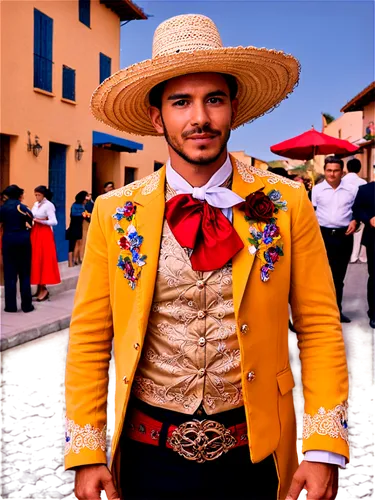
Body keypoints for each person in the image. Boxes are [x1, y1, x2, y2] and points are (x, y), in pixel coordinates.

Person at [64, 14, 350, 500]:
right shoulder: (116, 213)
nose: (200, 118)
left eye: (214, 99)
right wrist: (87, 452)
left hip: (257, 453)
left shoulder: (286, 202)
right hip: (146, 453)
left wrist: (323, 448)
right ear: (158, 118)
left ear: (233, 109)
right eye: (181, 102)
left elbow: (320, 326)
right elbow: (91, 336)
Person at [311, 156, 357, 323]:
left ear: (342, 172)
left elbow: (357, 210)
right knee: (321, 277)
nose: (332, 174)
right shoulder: (316, 190)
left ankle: (337, 312)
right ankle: (321, 313)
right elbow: (311, 212)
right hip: (322, 236)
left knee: (339, 277)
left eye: (336, 170)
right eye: (329, 170)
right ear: (325, 171)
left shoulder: (351, 190)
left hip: (343, 237)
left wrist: (355, 220)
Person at [0, 185, 34, 313]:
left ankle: (10, 306)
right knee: (25, 274)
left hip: (8, 241)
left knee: (9, 275)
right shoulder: (22, 207)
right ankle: (26, 305)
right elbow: (32, 221)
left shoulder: (3, 208)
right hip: (23, 241)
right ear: (18, 195)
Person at [30, 185, 61, 302]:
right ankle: (39, 288)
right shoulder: (35, 204)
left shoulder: (49, 205)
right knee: (36, 259)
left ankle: (44, 289)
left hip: (44, 233)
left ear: (43, 195)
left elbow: (54, 221)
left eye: (38, 195)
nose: (37, 197)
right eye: (35, 195)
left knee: (43, 259)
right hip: (35, 232)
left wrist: (41, 221)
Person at [352, 181, 375, 329]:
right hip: (374, 239)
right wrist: (369, 218)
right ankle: (374, 313)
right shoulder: (366, 190)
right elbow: (357, 209)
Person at [342, 158, 367, 264]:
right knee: (358, 235)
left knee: (345, 234)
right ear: (359, 169)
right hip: (358, 212)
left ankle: (345, 255)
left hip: (343, 211)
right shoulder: (363, 182)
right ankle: (355, 256)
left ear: (347, 168)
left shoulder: (342, 181)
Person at [66, 190, 89, 267]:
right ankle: (72, 262)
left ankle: (74, 260)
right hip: (75, 227)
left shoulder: (79, 206)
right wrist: (85, 215)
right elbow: (78, 216)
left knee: (77, 243)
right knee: (73, 244)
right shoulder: (78, 206)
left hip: (77, 226)